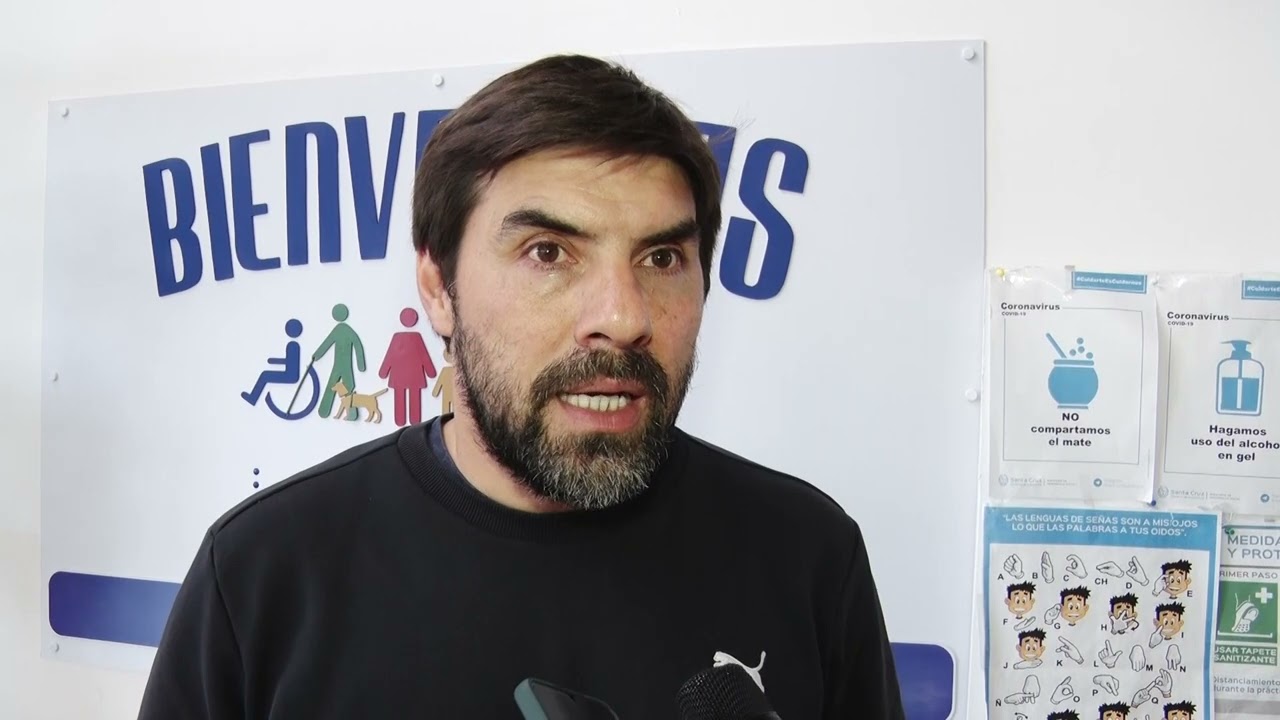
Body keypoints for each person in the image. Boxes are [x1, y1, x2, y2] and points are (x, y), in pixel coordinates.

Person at [138, 53, 904, 719]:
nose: (623, 318)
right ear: (438, 286)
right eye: (548, 253)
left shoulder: (806, 558)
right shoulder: (263, 575)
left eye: (662, 259)